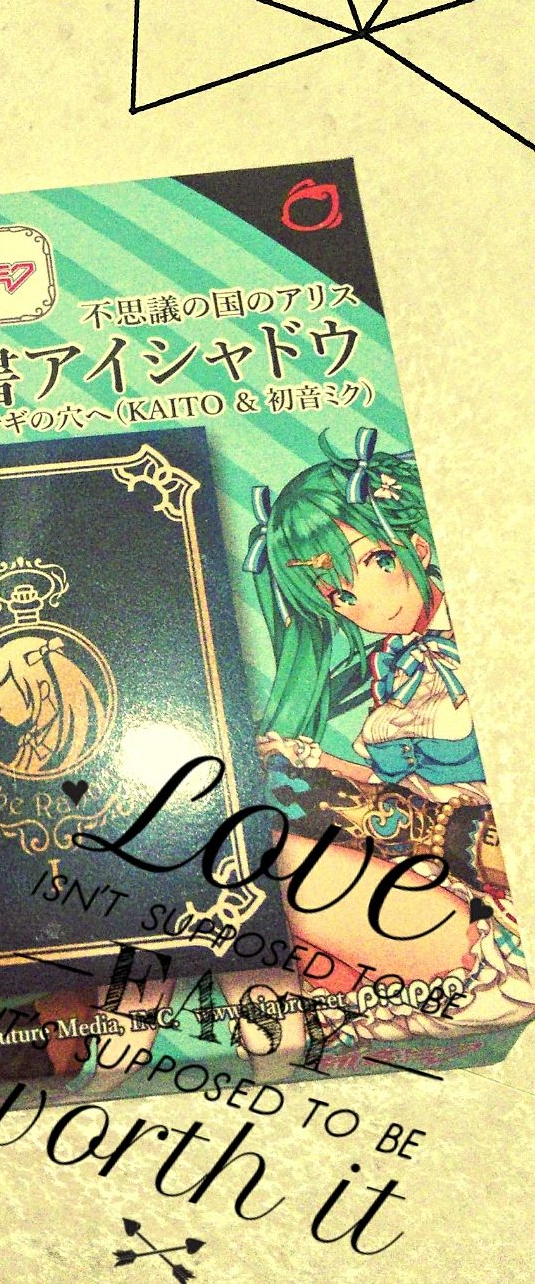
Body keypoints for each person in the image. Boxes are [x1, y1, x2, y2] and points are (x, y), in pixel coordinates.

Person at [240, 427, 533, 1049]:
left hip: (497, 904)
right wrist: (316, 758)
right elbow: (395, 788)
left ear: (417, 544)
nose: (366, 603)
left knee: (264, 863)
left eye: (376, 562)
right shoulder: (397, 665)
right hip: (429, 870)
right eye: (339, 594)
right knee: (256, 846)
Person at [0, 632, 107, 775]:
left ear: (43, 690)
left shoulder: (57, 743)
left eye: (8, 701)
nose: (0, 712)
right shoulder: (32, 741)